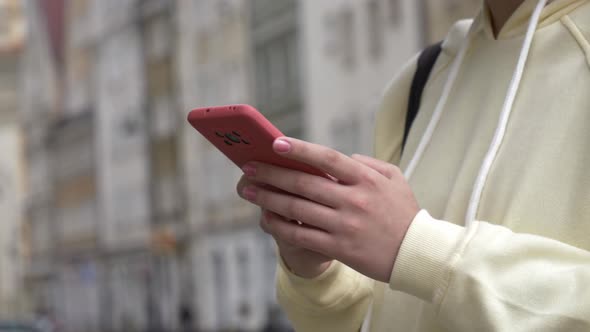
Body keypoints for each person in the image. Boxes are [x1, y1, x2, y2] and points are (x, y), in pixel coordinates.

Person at [236, 0, 590, 330]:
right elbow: (366, 317)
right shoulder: (422, 77)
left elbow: (415, 255)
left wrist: (420, 250)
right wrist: (320, 273)